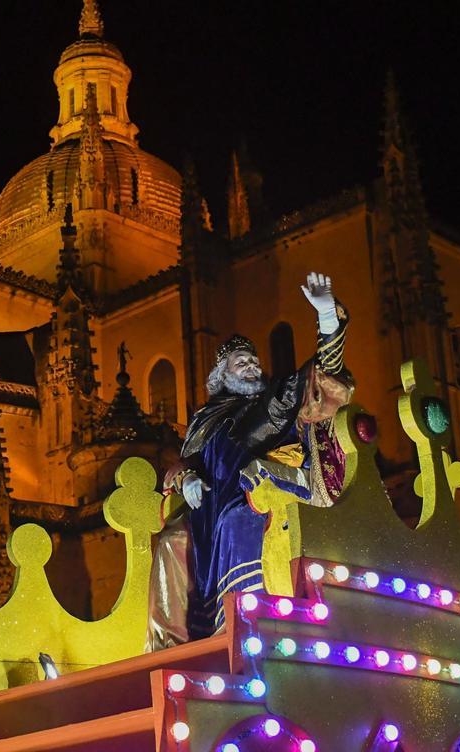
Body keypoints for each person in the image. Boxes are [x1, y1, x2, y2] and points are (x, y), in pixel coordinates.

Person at [148, 273, 352, 644]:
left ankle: (240, 621)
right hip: (204, 505)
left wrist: (327, 320)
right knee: (169, 542)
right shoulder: (204, 417)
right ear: (222, 373)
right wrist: (185, 480)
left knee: (236, 520)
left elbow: (317, 378)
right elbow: (186, 463)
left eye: (254, 361)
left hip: (249, 493)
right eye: (241, 362)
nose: (252, 366)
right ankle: (167, 644)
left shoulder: (272, 402)